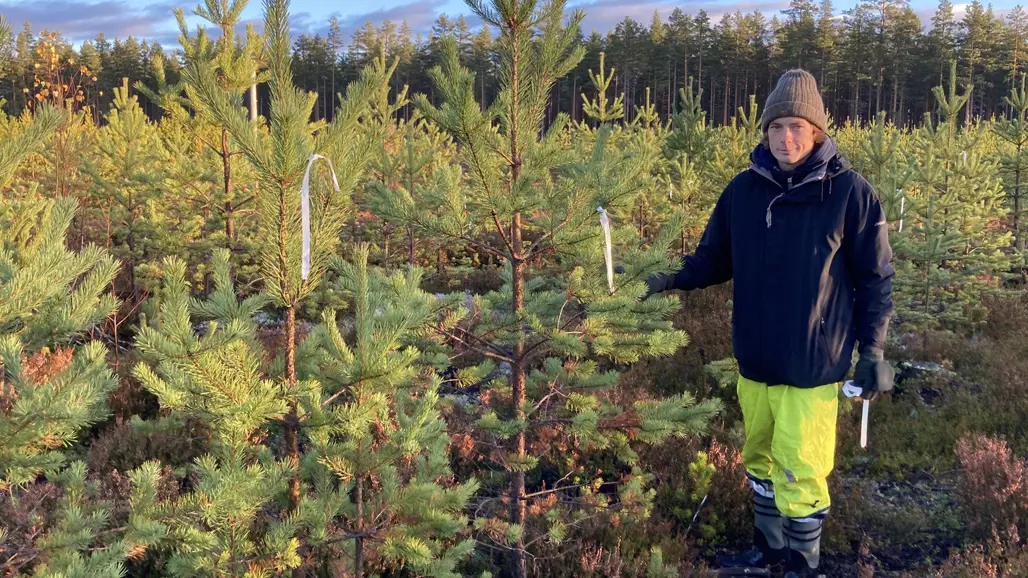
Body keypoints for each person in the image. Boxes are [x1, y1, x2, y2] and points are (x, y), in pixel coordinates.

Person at [644, 69, 896, 577]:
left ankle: (803, 565)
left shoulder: (850, 193)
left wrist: (873, 353)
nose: (786, 138)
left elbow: (876, 280)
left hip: (812, 364)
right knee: (759, 458)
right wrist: (669, 277)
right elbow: (715, 258)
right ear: (764, 132)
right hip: (754, 357)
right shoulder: (744, 190)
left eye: (797, 127)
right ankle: (768, 552)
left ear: (817, 131)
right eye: (777, 126)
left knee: (801, 467)